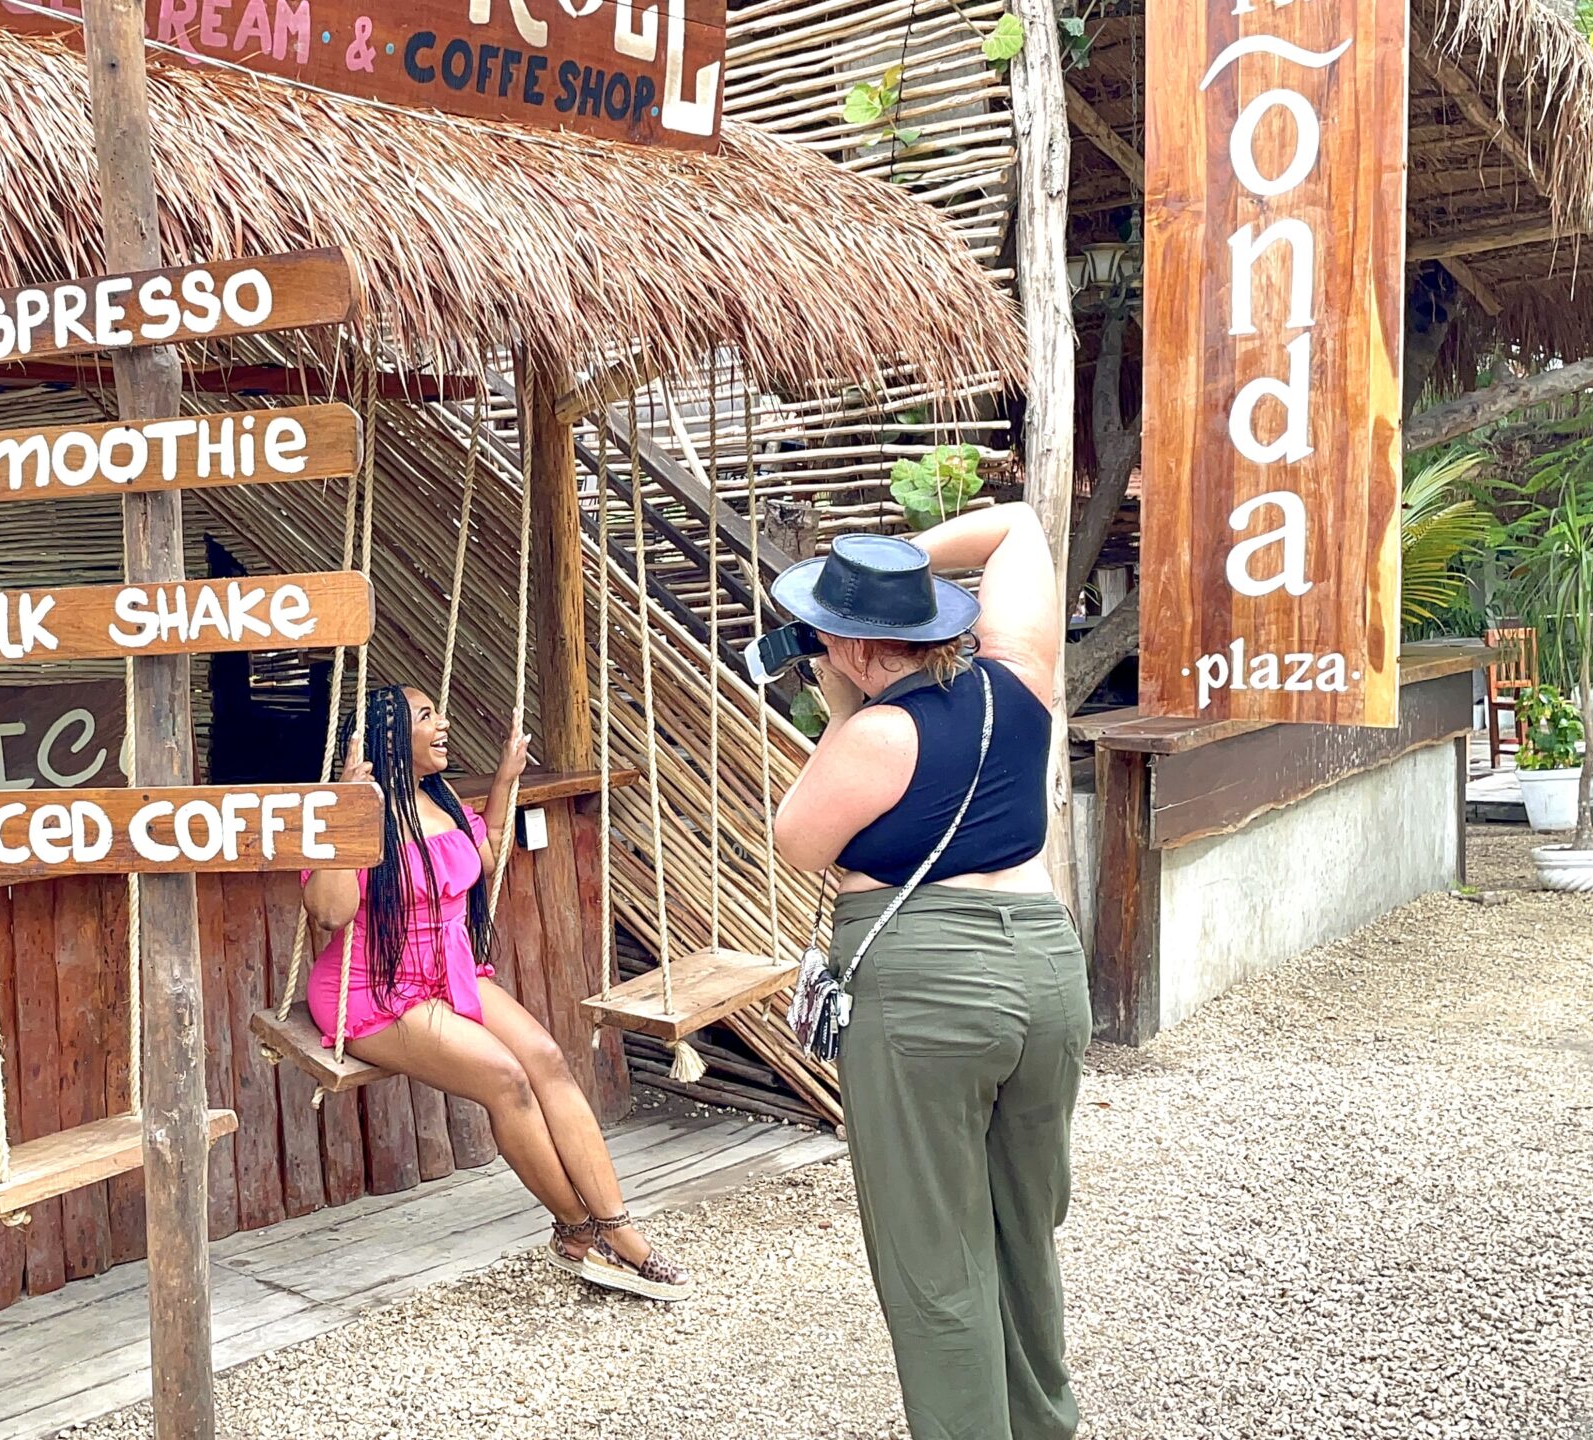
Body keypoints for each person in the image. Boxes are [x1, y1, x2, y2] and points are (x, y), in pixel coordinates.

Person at [768, 505, 1084, 1440]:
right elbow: (1017, 526)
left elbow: (798, 842)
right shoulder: (1021, 676)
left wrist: (844, 699)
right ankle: (1042, 1425)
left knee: (933, 1253)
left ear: (854, 646)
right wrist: (898, 569)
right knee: (1022, 1228)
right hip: (1045, 966)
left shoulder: (874, 735)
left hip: (929, 984)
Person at [302, 684, 690, 1301]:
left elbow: (483, 860)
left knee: (547, 1059)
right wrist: (346, 812)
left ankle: (618, 1225)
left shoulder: (442, 799)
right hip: (373, 988)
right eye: (426, 716)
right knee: (506, 1079)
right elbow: (330, 913)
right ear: (390, 737)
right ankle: (577, 1231)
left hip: (448, 972)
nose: (443, 723)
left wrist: (506, 779)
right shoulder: (352, 813)